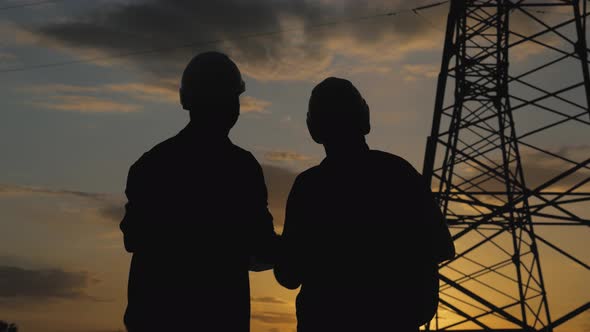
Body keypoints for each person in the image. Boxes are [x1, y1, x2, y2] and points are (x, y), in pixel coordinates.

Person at [274, 77, 455, 331]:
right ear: (364, 119)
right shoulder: (400, 174)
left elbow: (289, 275)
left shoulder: (309, 188)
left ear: (314, 129)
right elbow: (443, 247)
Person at [120, 51, 277, 331]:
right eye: (232, 97)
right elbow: (262, 246)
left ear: (187, 100)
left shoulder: (151, 165)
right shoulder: (241, 168)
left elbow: (134, 237)